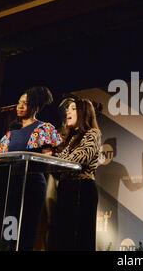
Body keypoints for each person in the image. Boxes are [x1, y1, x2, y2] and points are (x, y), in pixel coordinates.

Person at [0, 86, 62, 251]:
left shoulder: (44, 128)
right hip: (12, 184)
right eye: (19, 102)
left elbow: (48, 157)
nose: (20, 106)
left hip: (32, 184)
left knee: (26, 230)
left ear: (35, 107)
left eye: (25, 103)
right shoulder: (12, 132)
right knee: (9, 229)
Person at [49, 96, 102, 251]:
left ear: (83, 112)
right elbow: (58, 168)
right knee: (62, 238)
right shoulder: (70, 138)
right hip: (66, 189)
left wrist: (54, 157)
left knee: (79, 239)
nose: (67, 112)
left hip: (82, 189)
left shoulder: (93, 133)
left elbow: (79, 159)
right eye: (67, 109)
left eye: (73, 108)